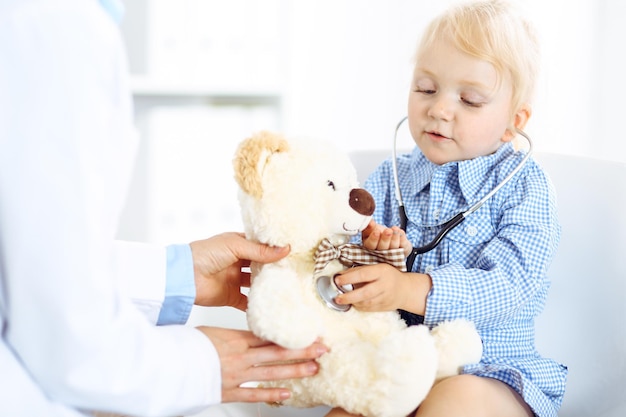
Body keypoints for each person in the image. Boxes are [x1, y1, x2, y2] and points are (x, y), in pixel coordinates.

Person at [0, 0, 327, 415]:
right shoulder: (57, 28)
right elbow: (68, 342)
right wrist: (203, 365)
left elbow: (28, 255)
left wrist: (174, 273)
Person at [327, 1, 567, 416]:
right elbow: (340, 257)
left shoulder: (526, 186)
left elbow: (509, 286)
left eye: (470, 99)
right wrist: (368, 259)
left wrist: (408, 288)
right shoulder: (387, 179)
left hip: (493, 376)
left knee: (455, 400)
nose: (439, 108)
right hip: (395, 368)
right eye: (425, 88)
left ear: (514, 122)